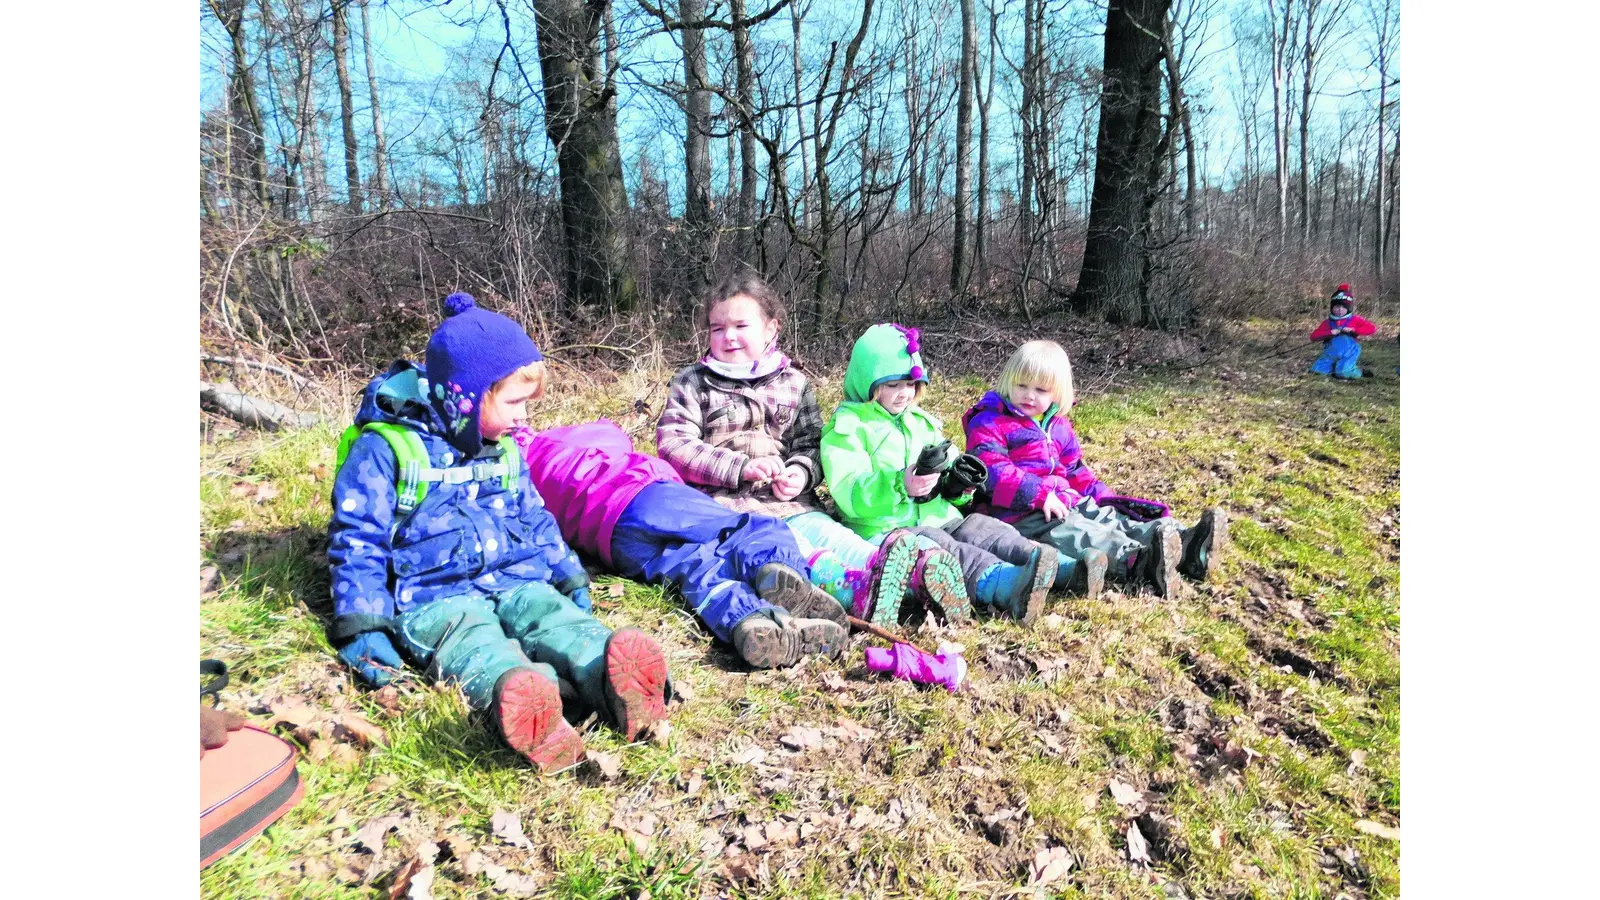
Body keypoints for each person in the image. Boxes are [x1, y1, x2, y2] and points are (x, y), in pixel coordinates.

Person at [325, 293, 669, 773]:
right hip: (437, 597)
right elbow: (357, 541)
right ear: (466, 396)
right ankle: (530, 704)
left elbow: (535, 516)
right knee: (477, 646)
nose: (523, 417)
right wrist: (362, 625)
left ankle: (613, 681)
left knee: (557, 620)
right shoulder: (387, 450)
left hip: (517, 579)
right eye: (514, 402)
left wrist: (566, 575)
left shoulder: (504, 449)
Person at [656, 275, 970, 629]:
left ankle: (913, 579)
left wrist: (801, 472)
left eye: (741, 325)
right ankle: (855, 591)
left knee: (841, 540)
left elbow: (812, 444)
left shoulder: (793, 382)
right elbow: (674, 445)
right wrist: (741, 467)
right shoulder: (693, 382)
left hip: (794, 502)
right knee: (797, 550)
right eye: (717, 328)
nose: (728, 336)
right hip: (732, 508)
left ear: (770, 330)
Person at [517, 419, 850, 670]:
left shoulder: (511, 477)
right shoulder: (547, 443)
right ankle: (779, 568)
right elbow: (612, 436)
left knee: (694, 565)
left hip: (610, 542)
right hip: (641, 494)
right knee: (747, 526)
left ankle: (749, 620)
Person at [820, 323, 1073, 625]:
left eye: (910, 384)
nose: (903, 394)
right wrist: (900, 484)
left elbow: (949, 471)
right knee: (948, 549)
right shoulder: (848, 428)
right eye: (892, 385)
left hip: (938, 515)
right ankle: (1004, 584)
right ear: (868, 383)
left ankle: (1052, 565)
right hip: (888, 527)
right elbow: (849, 491)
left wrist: (958, 484)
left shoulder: (920, 422)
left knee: (983, 527)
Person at [964, 340, 1228, 599]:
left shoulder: (1057, 426)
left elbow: (1076, 470)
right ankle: (1140, 560)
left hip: (1065, 501)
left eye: (1040, 390)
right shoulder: (990, 421)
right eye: (1021, 385)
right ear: (1008, 380)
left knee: (1109, 518)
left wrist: (1105, 497)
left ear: (1056, 392)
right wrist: (1040, 495)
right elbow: (991, 470)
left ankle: (1186, 543)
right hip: (1020, 513)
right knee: (1082, 535)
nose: (1029, 395)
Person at [1309, 283, 1376, 379]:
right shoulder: (1328, 322)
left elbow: (1372, 329)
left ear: (1348, 308)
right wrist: (1330, 332)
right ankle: (1333, 369)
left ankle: (1359, 372)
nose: (1340, 310)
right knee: (1316, 371)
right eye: (1337, 307)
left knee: (1343, 372)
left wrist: (1353, 330)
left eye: (1344, 307)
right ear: (1332, 308)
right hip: (1331, 352)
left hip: (1349, 351)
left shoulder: (1355, 319)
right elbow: (1313, 336)